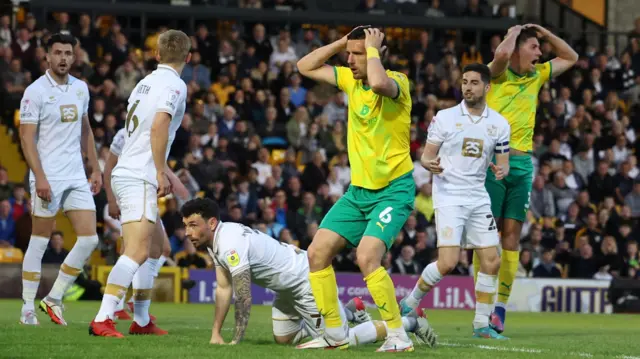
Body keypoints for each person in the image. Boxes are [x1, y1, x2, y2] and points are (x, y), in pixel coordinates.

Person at [296, 25, 417, 352]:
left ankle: (398, 335)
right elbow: (303, 66)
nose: (349, 60)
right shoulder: (350, 78)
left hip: (394, 190)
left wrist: (373, 51)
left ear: (379, 53)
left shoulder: (399, 83)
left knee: (366, 256)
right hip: (358, 192)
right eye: (349, 54)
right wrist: (342, 42)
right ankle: (334, 334)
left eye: (358, 54)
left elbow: (379, 82)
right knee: (316, 253)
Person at [180, 198, 437, 347]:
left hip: (304, 281)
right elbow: (224, 288)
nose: (188, 233)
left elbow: (244, 295)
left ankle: (409, 322)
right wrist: (216, 334)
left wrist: (235, 340)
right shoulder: (216, 242)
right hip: (285, 288)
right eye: (185, 226)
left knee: (340, 340)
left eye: (193, 225)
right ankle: (349, 310)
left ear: (211, 223)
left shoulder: (229, 242)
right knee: (283, 339)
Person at [89, 29, 191, 337]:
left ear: (157, 55)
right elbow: (159, 125)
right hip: (139, 175)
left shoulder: (143, 83)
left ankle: (142, 320)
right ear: (188, 58)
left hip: (130, 171)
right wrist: (161, 171)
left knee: (158, 247)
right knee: (136, 249)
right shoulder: (175, 85)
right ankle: (103, 317)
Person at [399, 63, 511, 340]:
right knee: (448, 262)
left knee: (492, 260)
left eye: (474, 82)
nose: (467, 87)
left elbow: (504, 163)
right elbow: (426, 156)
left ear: (487, 87)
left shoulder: (499, 123)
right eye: (464, 82)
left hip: (478, 196)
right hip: (449, 195)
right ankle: (409, 303)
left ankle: (482, 325)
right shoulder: (444, 118)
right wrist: (429, 164)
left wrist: (501, 170)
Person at [479, 24, 578, 333]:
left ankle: (500, 309)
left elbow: (571, 57)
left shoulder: (538, 76)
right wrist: (516, 31)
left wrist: (546, 34)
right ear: (518, 49)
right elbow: (503, 54)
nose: (540, 53)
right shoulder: (496, 75)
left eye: (540, 48)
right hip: (492, 162)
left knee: (511, 238)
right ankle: (482, 310)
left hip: (522, 165)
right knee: (486, 239)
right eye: (534, 47)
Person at [19, 33, 101, 326]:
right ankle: (27, 307)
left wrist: (95, 167)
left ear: (74, 56)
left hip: (76, 175)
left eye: (68, 53)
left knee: (90, 238)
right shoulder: (35, 91)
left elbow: (85, 130)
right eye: (58, 52)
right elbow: (26, 138)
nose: (63, 58)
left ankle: (53, 298)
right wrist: (39, 176)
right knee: (40, 239)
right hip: (48, 176)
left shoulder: (81, 88)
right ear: (47, 56)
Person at [103, 128, 185, 321]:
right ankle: (114, 306)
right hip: (131, 192)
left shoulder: (156, 131)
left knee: (162, 249)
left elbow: (158, 161)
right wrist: (112, 200)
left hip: (148, 193)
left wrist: (172, 178)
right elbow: (108, 168)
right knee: (132, 250)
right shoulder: (125, 134)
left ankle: (133, 305)